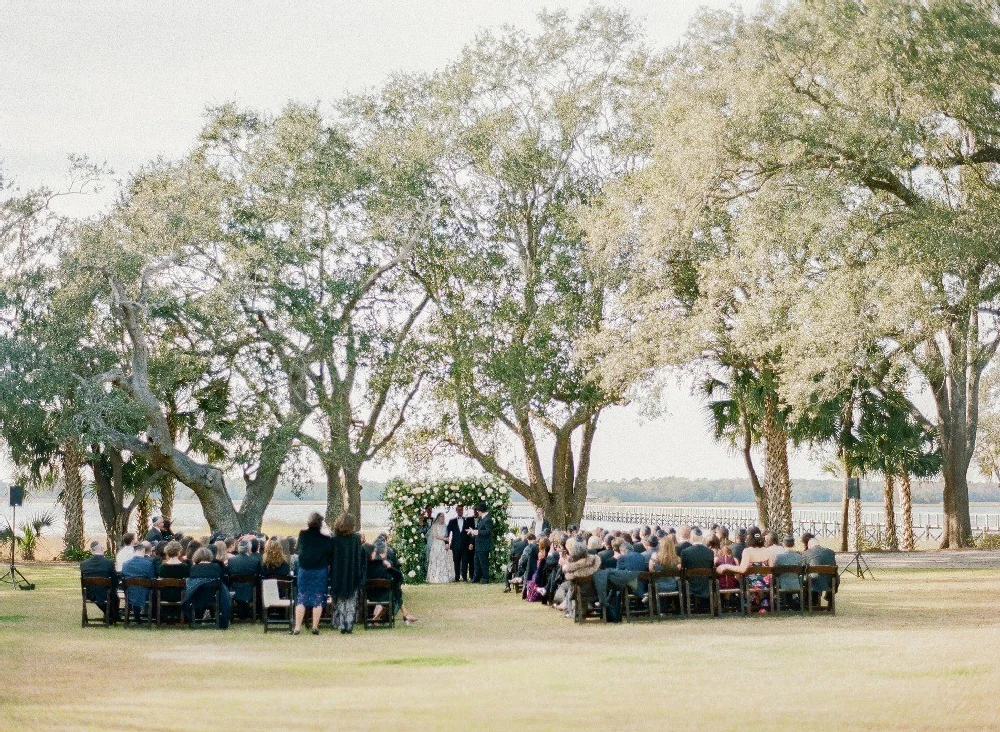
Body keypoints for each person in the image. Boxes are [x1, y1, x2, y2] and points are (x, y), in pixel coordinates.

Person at [293, 512, 332, 636]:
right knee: (318, 597)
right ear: (320, 524)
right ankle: (315, 626)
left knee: (301, 597)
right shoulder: (326, 539)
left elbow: (298, 549)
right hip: (320, 570)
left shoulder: (302, 535)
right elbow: (329, 555)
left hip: (304, 569)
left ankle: (297, 627)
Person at [329, 512, 366, 634]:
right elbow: (360, 556)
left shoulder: (334, 539)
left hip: (337, 572)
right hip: (352, 571)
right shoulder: (356, 539)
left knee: (339, 599)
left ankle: (340, 623)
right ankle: (349, 623)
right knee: (351, 598)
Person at [367, 536, 417, 625]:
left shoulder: (369, 564)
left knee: (393, 589)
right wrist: (390, 568)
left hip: (369, 594)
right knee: (394, 590)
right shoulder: (384, 566)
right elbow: (398, 576)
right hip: (382, 595)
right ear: (384, 552)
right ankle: (405, 614)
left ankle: (405, 614)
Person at [184, 547, 231, 627]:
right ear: (210, 556)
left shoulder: (193, 568)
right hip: (214, 596)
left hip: (197, 596)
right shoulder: (216, 567)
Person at [80, 540, 119, 620]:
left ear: (91, 550)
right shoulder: (109, 563)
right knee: (115, 597)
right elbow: (115, 581)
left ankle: (111, 616)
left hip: (90, 593)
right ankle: (113, 616)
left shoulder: (84, 564)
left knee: (111, 596)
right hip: (106, 593)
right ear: (102, 549)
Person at [680, 528, 715, 613]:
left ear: (691, 537)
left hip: (691, 584)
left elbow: (683, 569)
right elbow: (711, 567)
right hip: (706, 584)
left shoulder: (685, 552)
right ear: (702, 538)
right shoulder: (710, 552)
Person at [121, 541, 156, 619]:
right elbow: (152, 580)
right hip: (145, 595)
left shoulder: (125, 564)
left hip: (130, 594)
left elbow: (123, 578)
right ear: (143, 550)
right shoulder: (148, 564)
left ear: (134, 550)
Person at [227, 541, 260, 620]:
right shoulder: (255, 561)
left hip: (235, 588)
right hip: (251, 589)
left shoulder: (231, 561)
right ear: (249, 548)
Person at [157, 540, 190, 620]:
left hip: (165, 595)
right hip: (180, 595)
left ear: (167, 552)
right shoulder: (185, 567)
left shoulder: (162, 567)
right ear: (179, 552)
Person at [803, 537, 838, 607]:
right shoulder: (830, 552)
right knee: (836, 576)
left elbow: (803, 567)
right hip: (829, 581)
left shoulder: (806, 553)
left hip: (813, 582)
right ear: (819, 544)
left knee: (808, 577)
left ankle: (809, 602)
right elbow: (834, 565)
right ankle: (829, 598)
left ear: (809, 546)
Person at [772, 535, 804, 609]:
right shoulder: (799, 557)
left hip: (782, 584)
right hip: (796, 584)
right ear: (794, 544)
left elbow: (775, 570)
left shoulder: (779, 557)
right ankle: (795, 600)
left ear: (783, 544)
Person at [446, 505, 474, 582]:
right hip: (455, 545)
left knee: (465, 562)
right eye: (458, 510)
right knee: (456, 561)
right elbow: (447, 532)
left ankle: (464, 577)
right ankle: (457, 577)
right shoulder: (452, 521)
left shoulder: (467, 521)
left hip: (465, 545)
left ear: (463, 510)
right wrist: (447, 542)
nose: (460, 511)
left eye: (461, 510)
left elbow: (471, 533)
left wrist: (471, 543)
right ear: (456, 511)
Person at [426, 512, 455, 584]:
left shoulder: (445, 526)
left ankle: (444, 577)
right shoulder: (434, 526)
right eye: (441, 516)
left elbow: (447, 535)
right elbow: (436, 536)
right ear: (438, 517)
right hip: (436, 545)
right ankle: (435, 577)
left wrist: (447, 543)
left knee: (443, 560)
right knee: (436, 560)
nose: (443, 518)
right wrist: (445, 539)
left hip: (442, 545)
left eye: (443, 516)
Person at [468, 502, 493, 584]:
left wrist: (477, 532)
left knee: (483, 563)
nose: (477, 512)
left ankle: (485, 578)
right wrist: (473, 532)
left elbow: (488, 531)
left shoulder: (488, 519)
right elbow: (478, 529)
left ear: (481, 511)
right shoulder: (481, 518)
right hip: (478, 544)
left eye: (478, 510)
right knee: (477, 562)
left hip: (484, 545)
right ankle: (476, 578)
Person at [505, 527, 530, 592]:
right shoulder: (530, 544)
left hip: (517, 566)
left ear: (521, 533)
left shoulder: (516, 544)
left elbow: (511, 556)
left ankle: (507, 586)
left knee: (508, 567)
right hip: (528, 566)